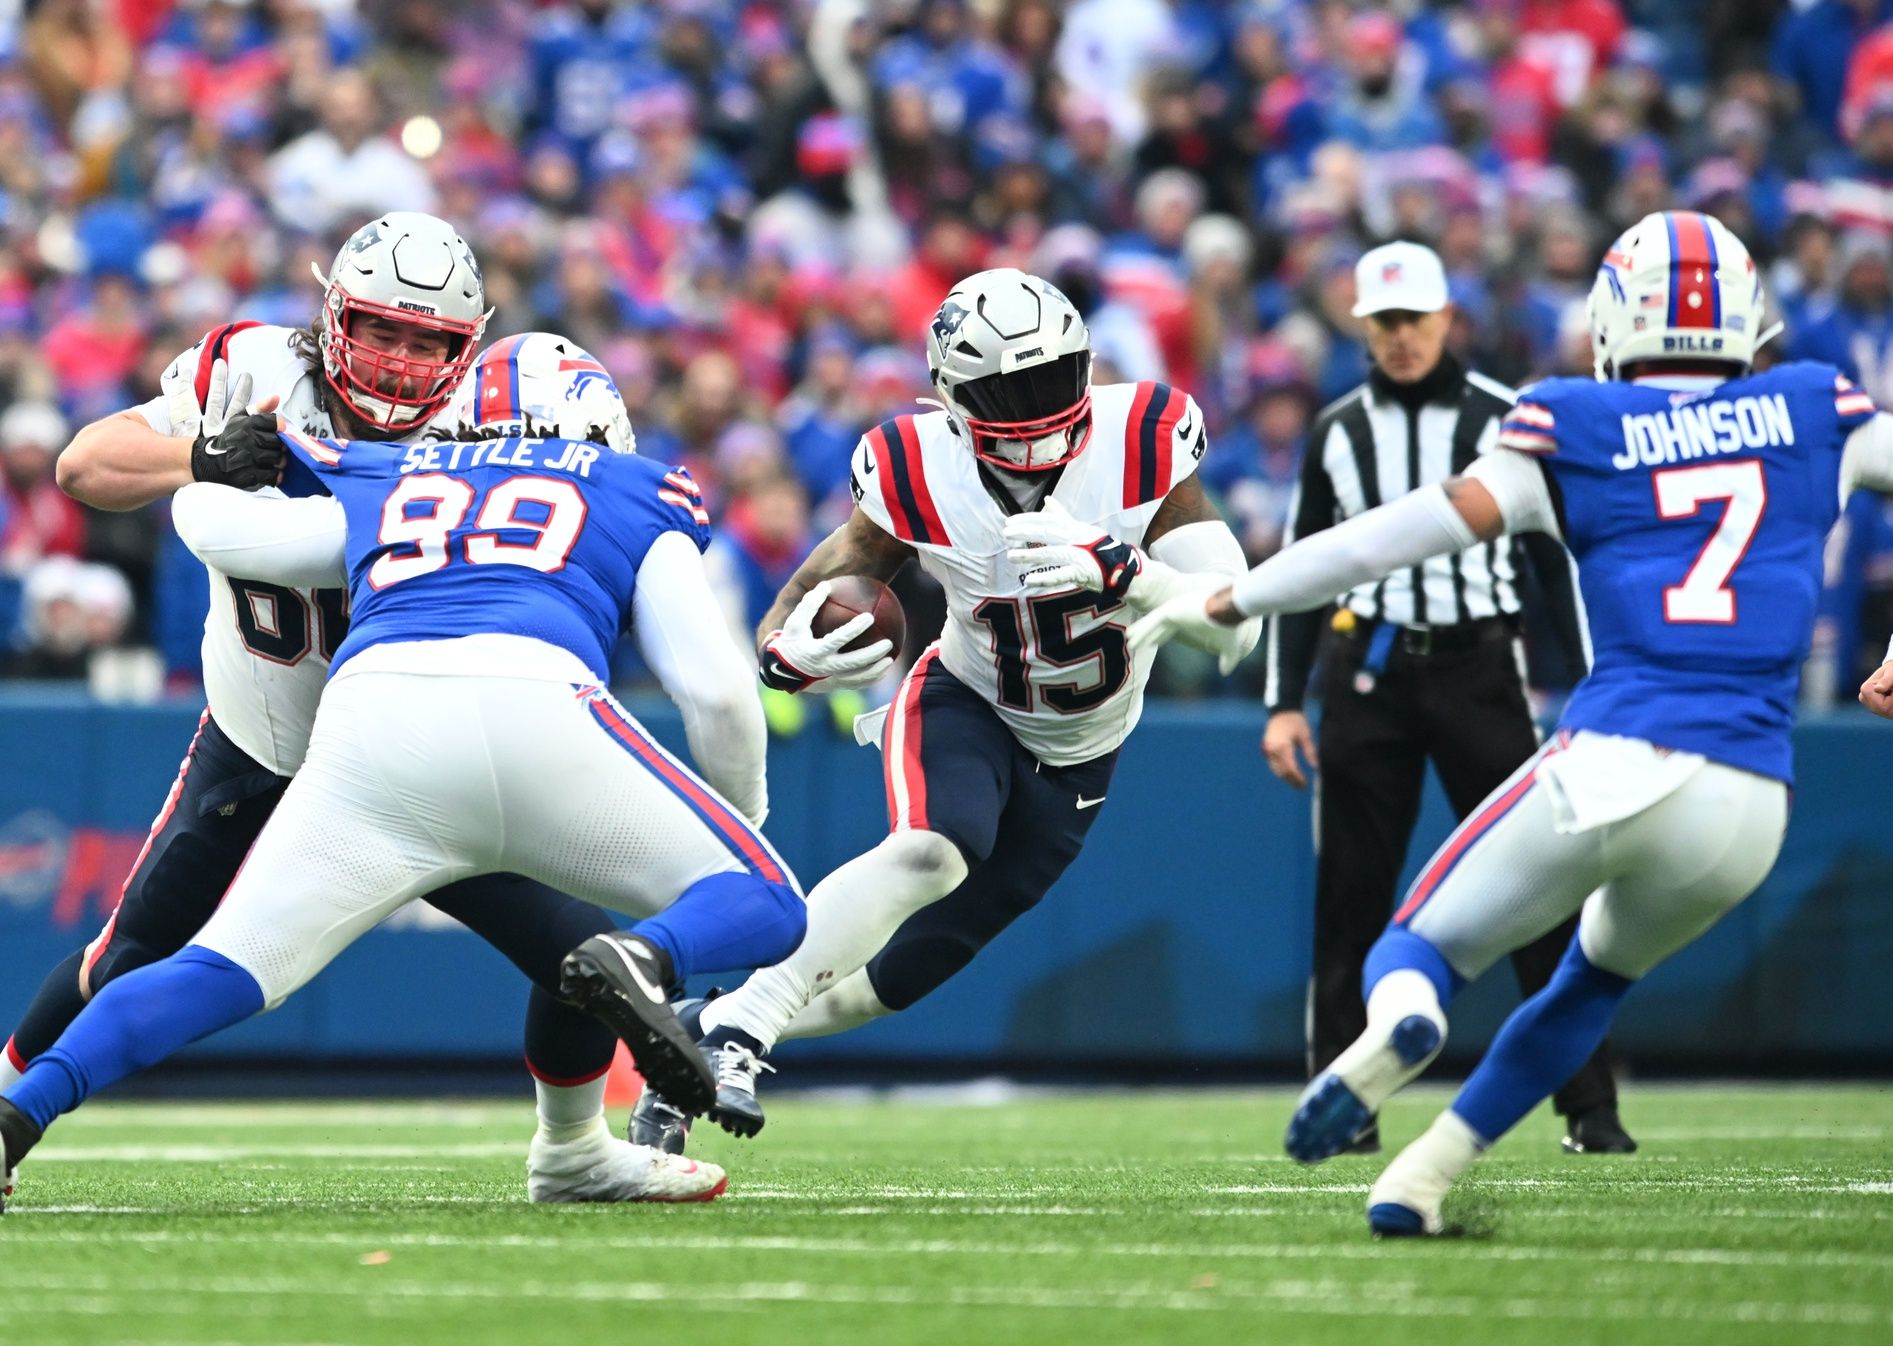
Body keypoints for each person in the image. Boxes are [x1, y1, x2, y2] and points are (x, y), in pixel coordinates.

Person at [1129, 210, 1893, 1236]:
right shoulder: (1814, 405)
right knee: (1587, 982)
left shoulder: (1571, 420)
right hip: (1750, 804)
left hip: (1620, 753)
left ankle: (1403, 1020)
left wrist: (1229, 600)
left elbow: (1374, 544)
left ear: (1616, 316)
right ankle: (1422, 1175)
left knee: (1414, 946)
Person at [0, 335, 808, 1209]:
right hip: (529, 709)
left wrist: (210, 468)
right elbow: (719, 694)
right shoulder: (632, 485)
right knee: (745, 908)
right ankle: (639, 965)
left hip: (368, 731)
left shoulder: (395, 476)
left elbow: (227, 531)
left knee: (217, 969)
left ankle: (19, 1111)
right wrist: (742, 824)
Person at [631, 267, 1260, 1147]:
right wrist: (783, 656)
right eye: (1009, 390)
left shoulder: (1141, 436)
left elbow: (1235, 631)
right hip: (965, 698)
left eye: (1052, 379)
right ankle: (742, 1034)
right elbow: (813, 587)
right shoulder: (915, 466)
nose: (1038, 407)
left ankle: (698, 1031)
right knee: (931, 852)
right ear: (954, 398)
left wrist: (1133, 576)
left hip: (1083, 752)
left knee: (881, 987)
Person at [1261, 240, 1629, 1156]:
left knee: (1537, 889)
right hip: (1368, 676)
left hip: (1479, 673)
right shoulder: (1336, 430)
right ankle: (1344, 1109)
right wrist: (1281, 702)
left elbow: (1556, 563)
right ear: (1363, 330)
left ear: (1445, 318)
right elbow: (1301, 571)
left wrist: (1600, 682)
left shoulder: (1509, 421)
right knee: (1350, 898)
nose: (1399, 339)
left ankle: (1589, 1107)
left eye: (1412, 320)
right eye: (1382, 323)